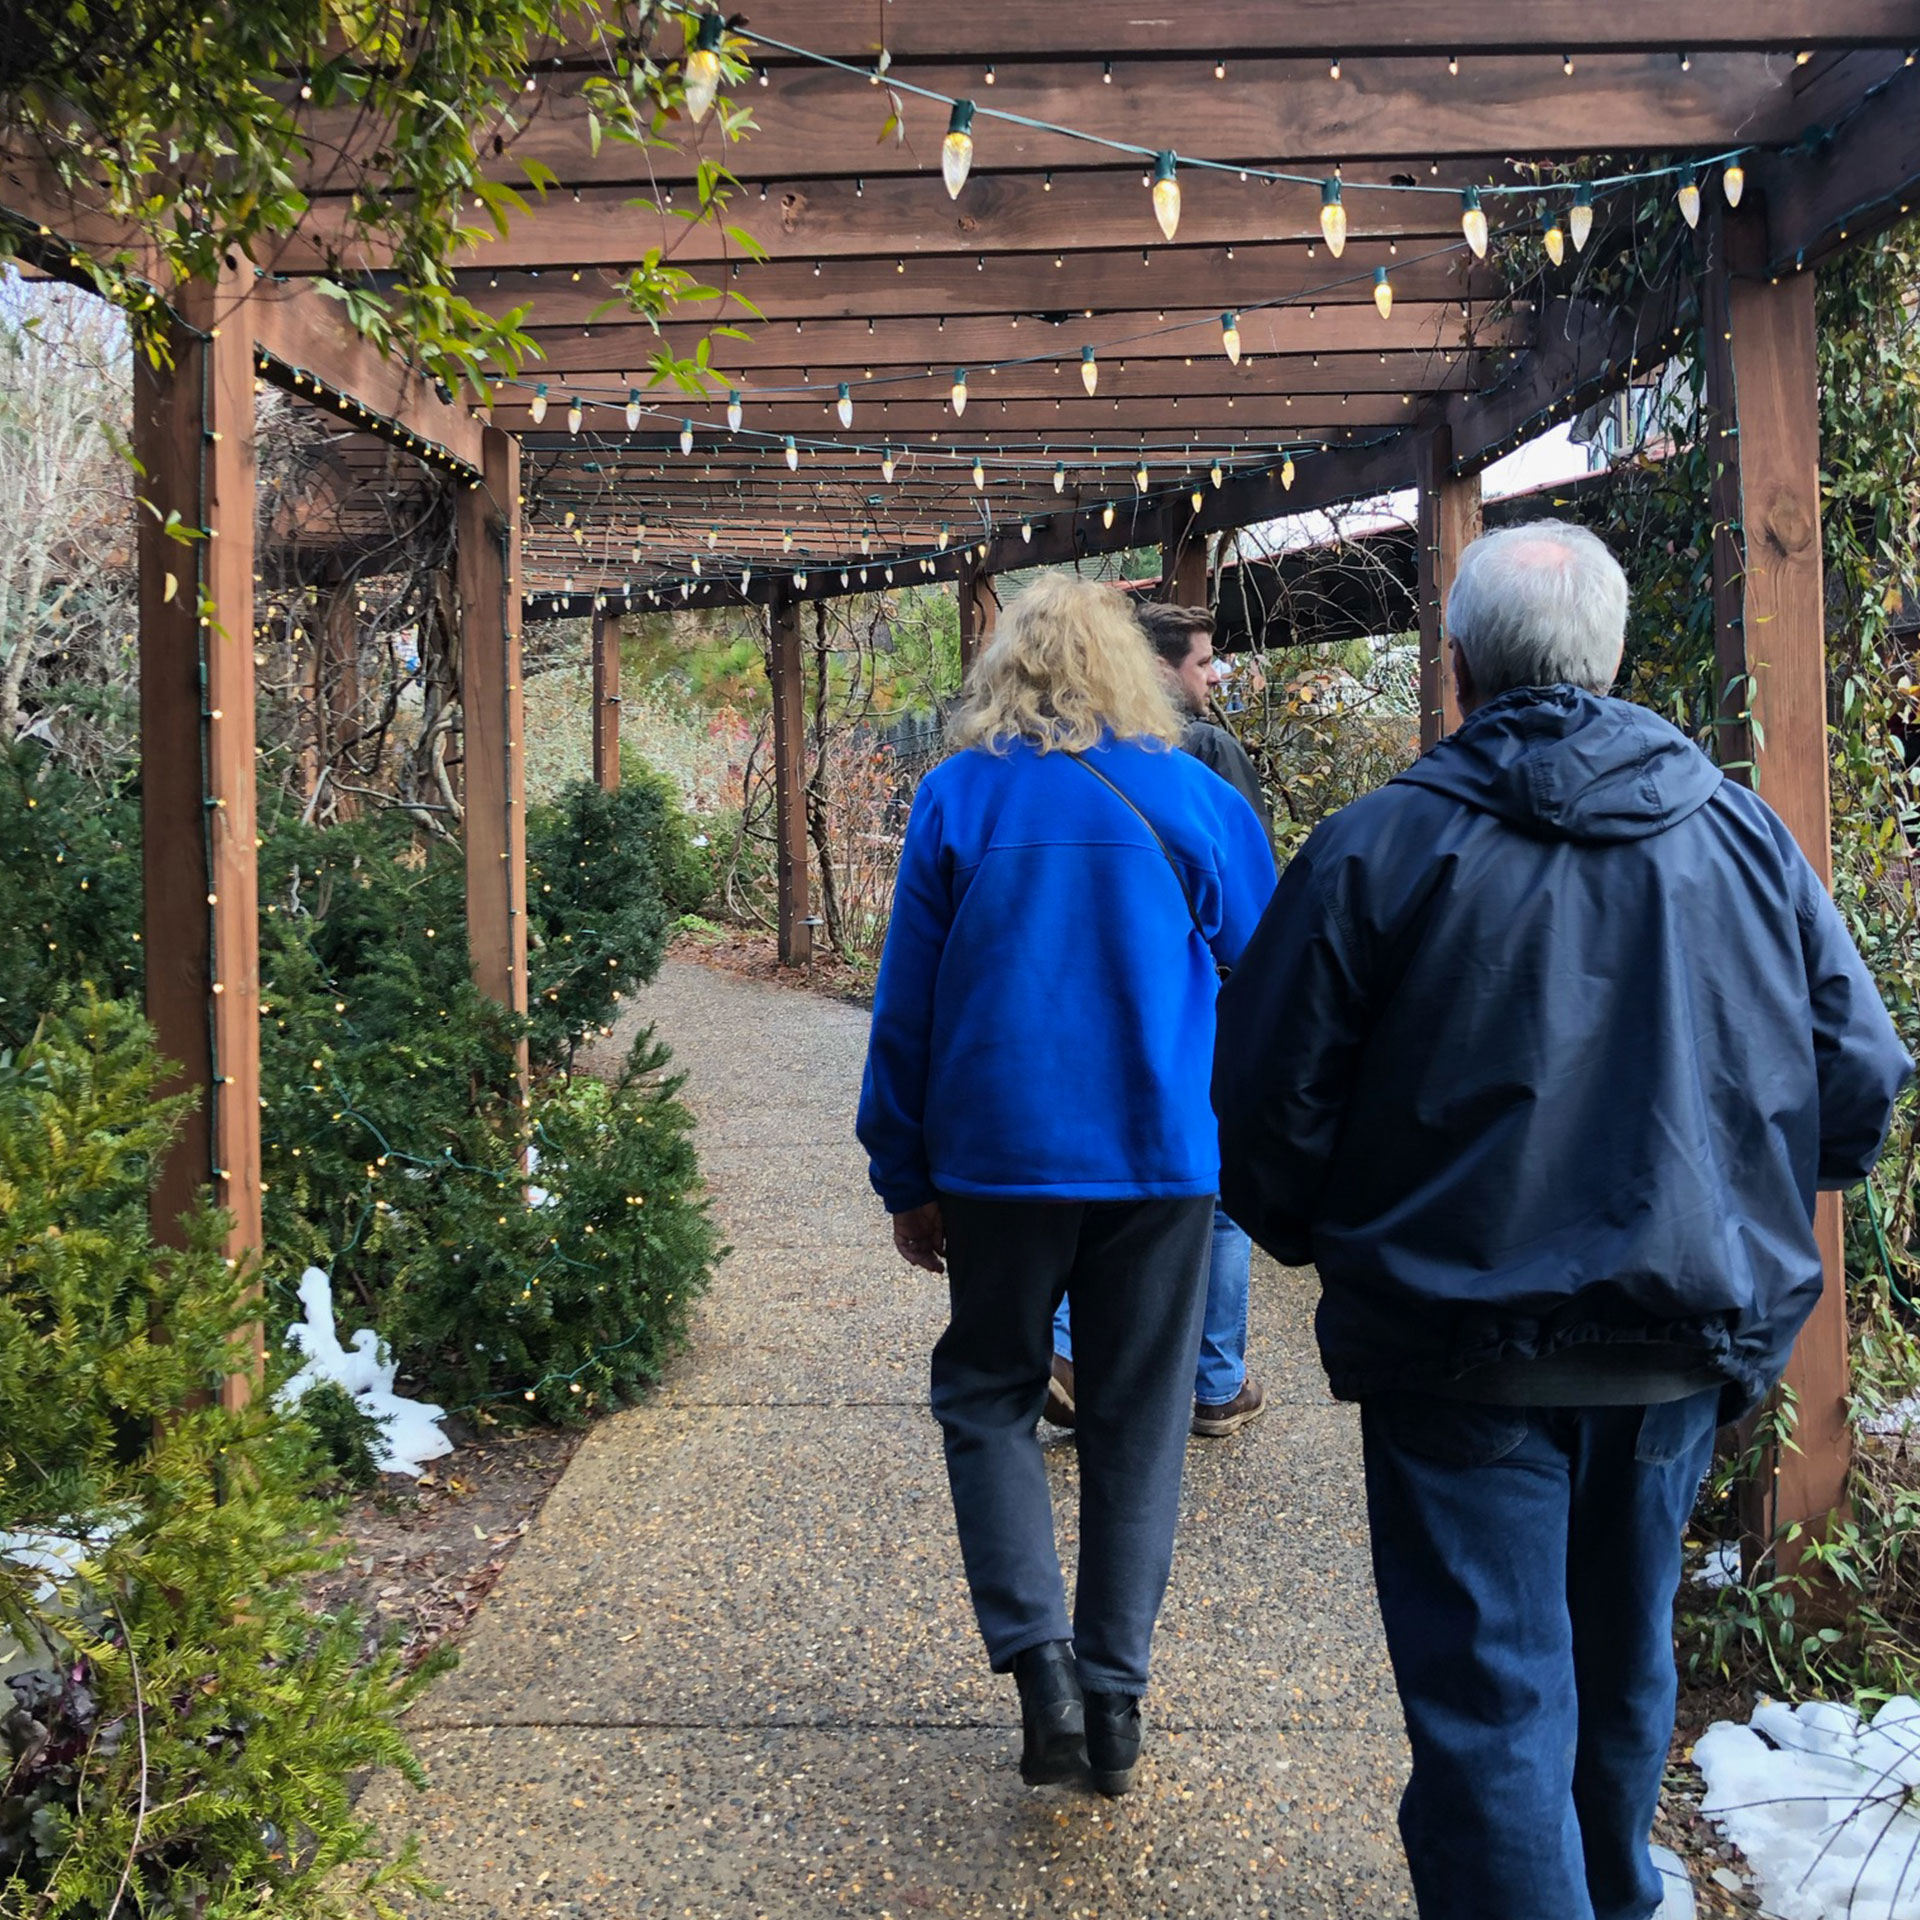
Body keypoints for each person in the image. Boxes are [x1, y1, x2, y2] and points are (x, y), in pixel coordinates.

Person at [1212, 520, 1911, 1920]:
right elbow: (1861, 1082)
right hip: (1677, 1344)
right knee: (1619, 1667)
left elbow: (1265, 1105)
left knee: (1491, 1703)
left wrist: (1335, 1241)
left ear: (1457, 669)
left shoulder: (1377, 850)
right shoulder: (1741, 841)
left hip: (1458, 1350)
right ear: (1608, 660)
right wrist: (1741, 1218)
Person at [857, 572, 1274, 1797]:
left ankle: (1040, 1664)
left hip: (996, 1161)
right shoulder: (1196, 801)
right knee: (1140, 1421)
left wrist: (905, 1172)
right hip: (1158, 1160)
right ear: (1130, 672)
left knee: (987, 1392)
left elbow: (908, 1012)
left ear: (1005, 671)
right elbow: (1266, 989)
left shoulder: (956, 799)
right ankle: (1118, 1694)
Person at [1049, 601, 1274, 1440]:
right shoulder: (1202, 759)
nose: (1213, 677)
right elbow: (1252, 911)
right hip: (1193, 1016)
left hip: (1080, 1017)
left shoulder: (1016, 769)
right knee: (1215, 1201)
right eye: (1200, 663)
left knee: (1085, 1181)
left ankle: (1072, 1347)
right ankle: (1215, 1379)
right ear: (1152, 670)